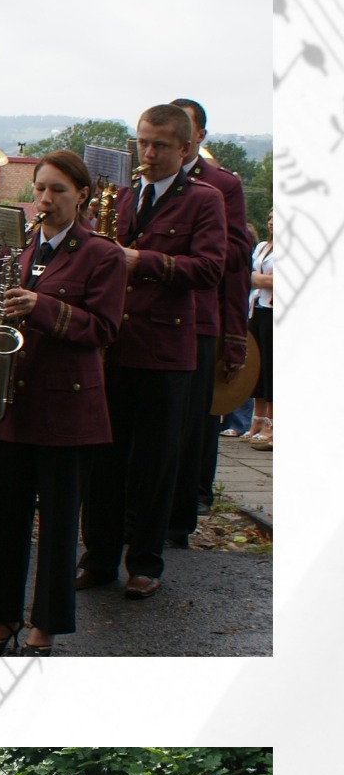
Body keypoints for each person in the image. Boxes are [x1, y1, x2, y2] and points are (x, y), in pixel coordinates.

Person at [0, 150, 128, 656]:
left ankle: (45, 627)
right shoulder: (17, 250)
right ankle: (1, 621)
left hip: (68, 408)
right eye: (40, 188)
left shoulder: (102, 254)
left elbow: (103, 328)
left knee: (60, 527)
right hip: (13, 402)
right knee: (7, 520)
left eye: (58, 190)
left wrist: (42, 306)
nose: (45, 199)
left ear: (82, 195)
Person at [81, 103, 226, 599]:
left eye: (160, 145)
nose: (148, 153)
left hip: (164, 350)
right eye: (142, 142)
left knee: (155, 464)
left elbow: (210, 269)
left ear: (185, 148)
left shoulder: (204, 199)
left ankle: (145, 562)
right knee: (104, 459)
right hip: (113, 346)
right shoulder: (121, 195)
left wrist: (141, 260)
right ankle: (98, 558)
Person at [170, 99, 252, 536]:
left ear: (198, 136)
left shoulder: (221, 185)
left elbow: (236, 256)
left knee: (194, 423)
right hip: (145, 318)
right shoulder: (139, 183)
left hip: (199, 314)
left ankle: (187, 505)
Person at [248, 214, 273, 448]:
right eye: (270, 217)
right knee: (257, 366)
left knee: (271, 366)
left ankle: (271, 423)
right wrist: (259, 279)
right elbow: (250, 275)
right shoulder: (262, 246)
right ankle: (256, 419)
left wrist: (257, 279)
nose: (272, 222)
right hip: (256, 308)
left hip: (272, 309)